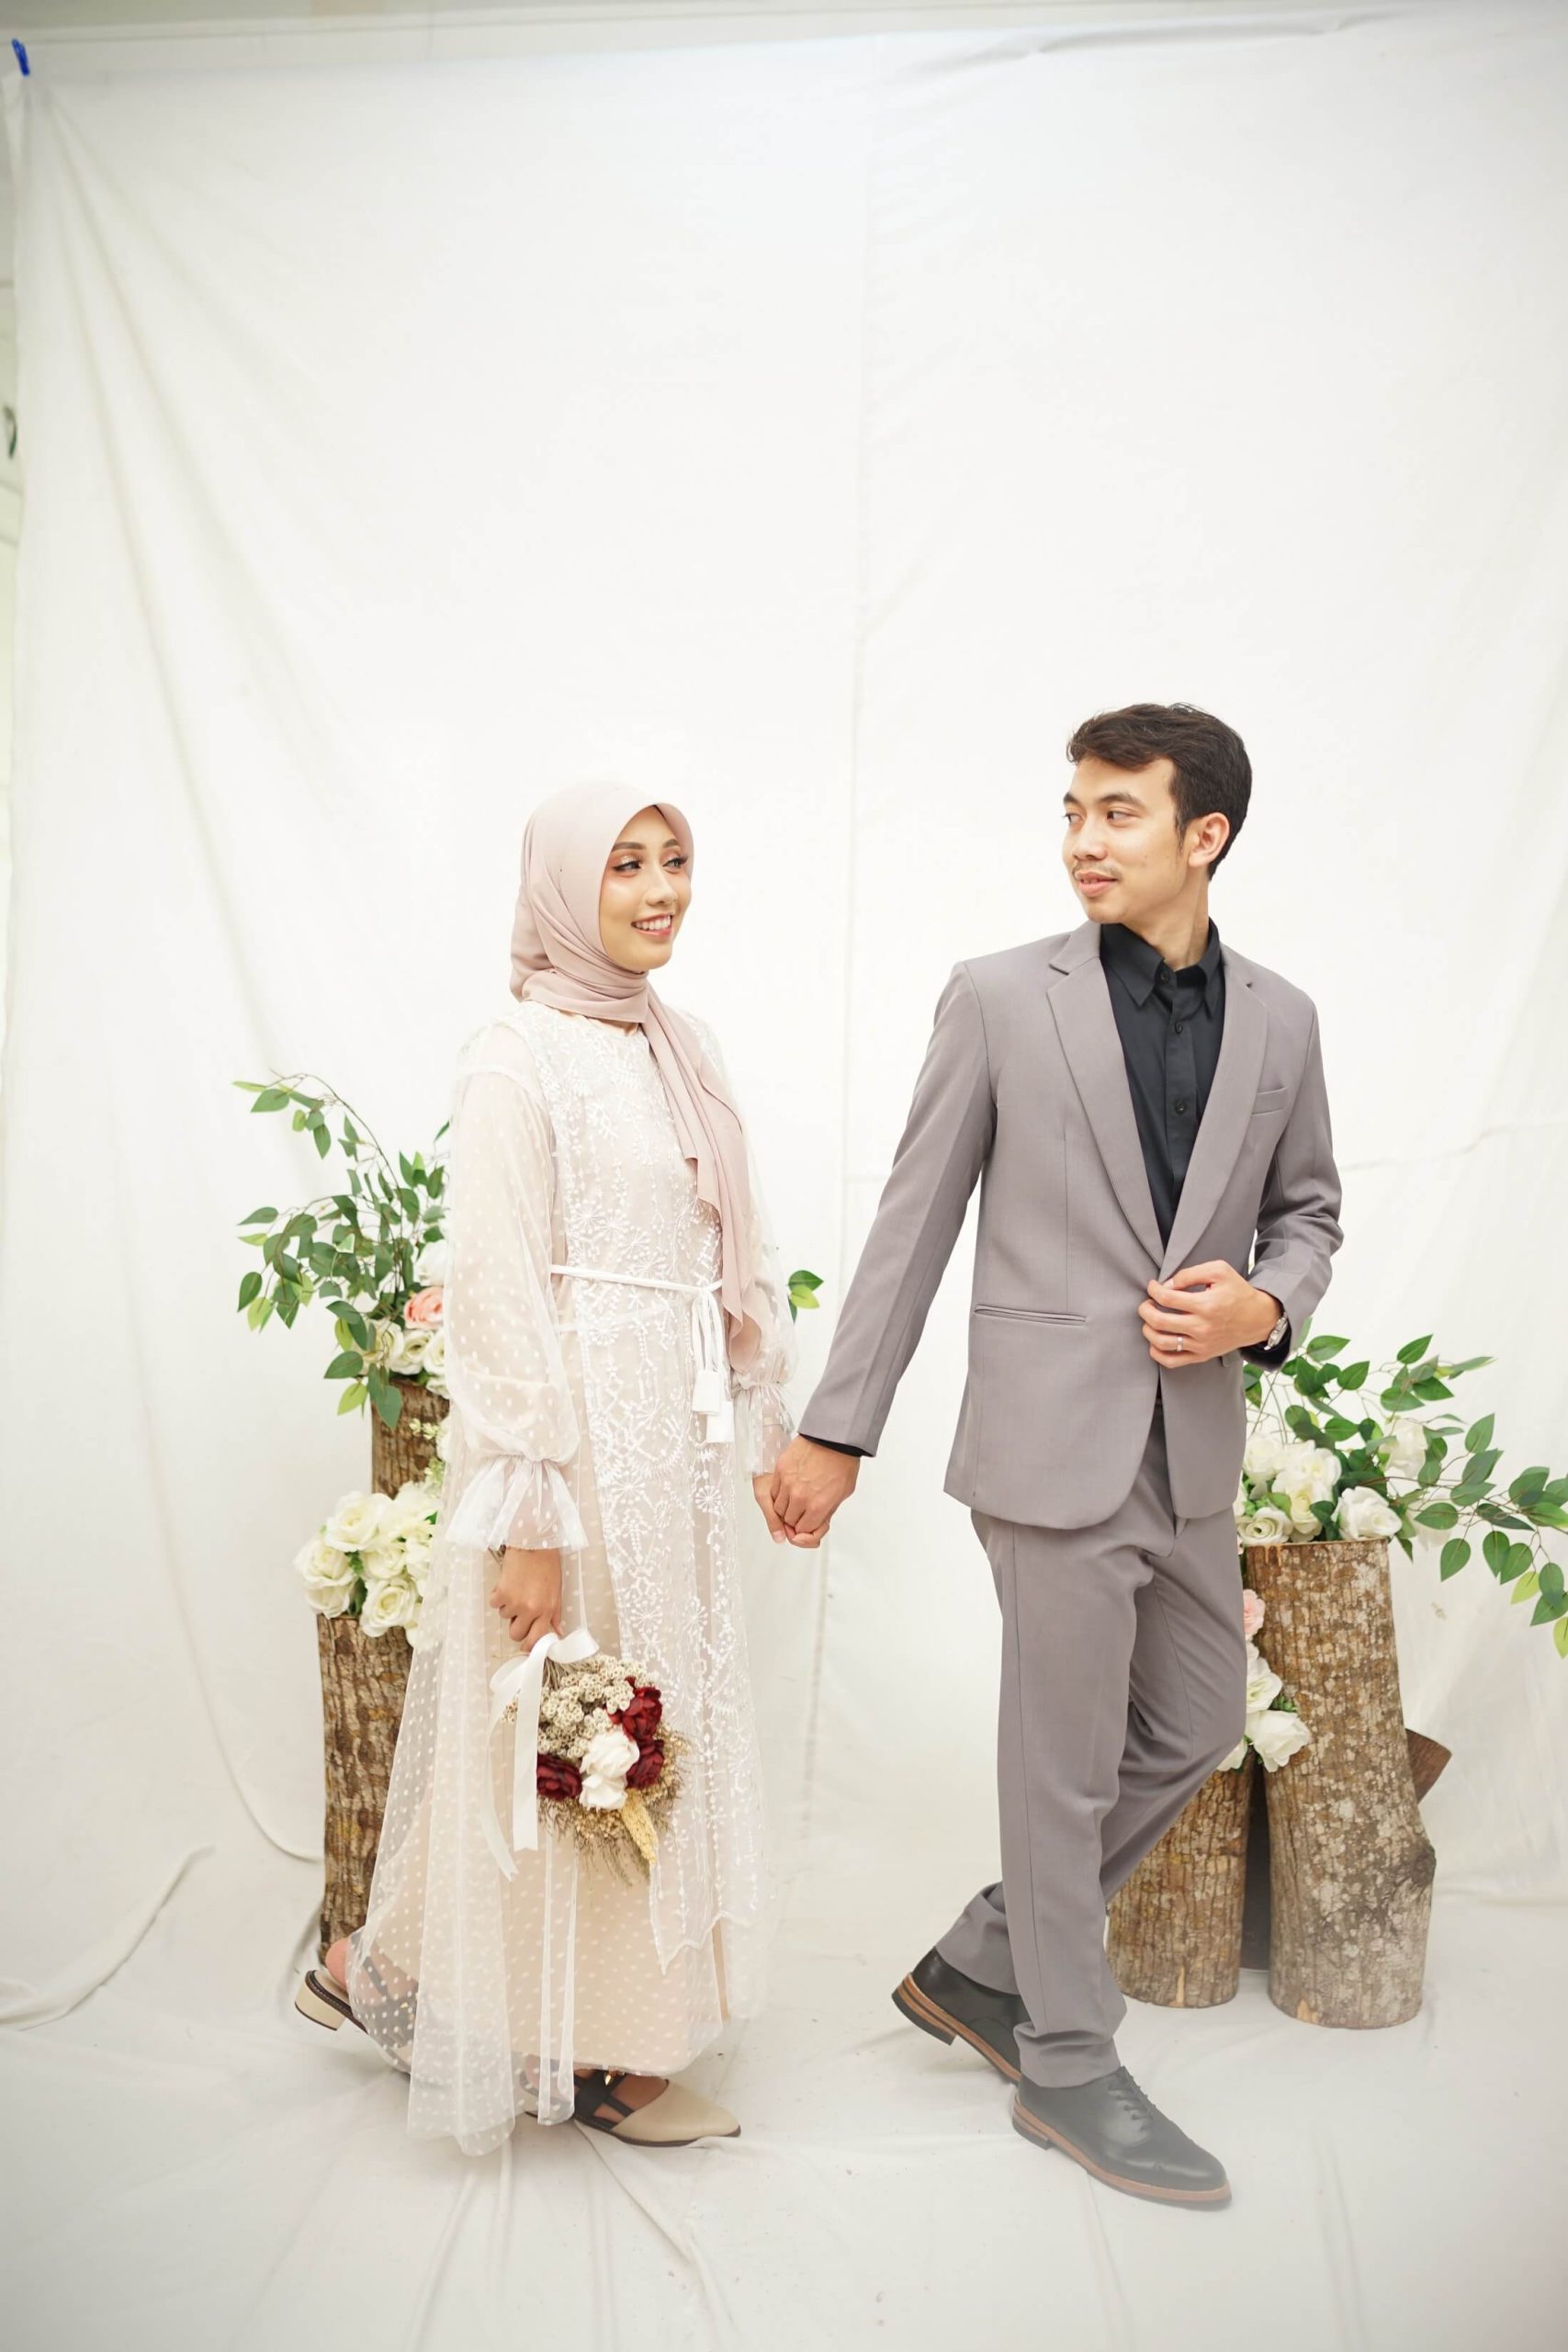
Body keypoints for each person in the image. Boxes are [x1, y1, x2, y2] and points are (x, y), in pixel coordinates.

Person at [770, 703, 1343, 2208]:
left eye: (1118, 812)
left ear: (1205, 835)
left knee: (1199, 1719)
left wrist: (1266, 1306)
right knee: (1064, 1762)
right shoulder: (998, 1000)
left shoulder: (1282, 1020)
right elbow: (912, 1224)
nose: (1083, 840)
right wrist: (838, 1429)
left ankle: (987, 1959)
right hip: (1047, 1442)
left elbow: (1309, 1211)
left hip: (1192, 1445)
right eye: (1073, 811)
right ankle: (1069, 2065)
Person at [294, 785, 803, 2156]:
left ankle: (419, 1981)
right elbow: (499, 1283)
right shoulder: (516, 1054)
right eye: (625, 864)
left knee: (633, 1728)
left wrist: (764, 1425)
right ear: (565, 887)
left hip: (668, 1448)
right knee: (564, 1731)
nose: (660, 888)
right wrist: (529, 1510)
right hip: (576, 1447)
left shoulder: (679, 1047)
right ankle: (572, 2042)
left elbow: (724, 1253)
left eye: (676, 860)